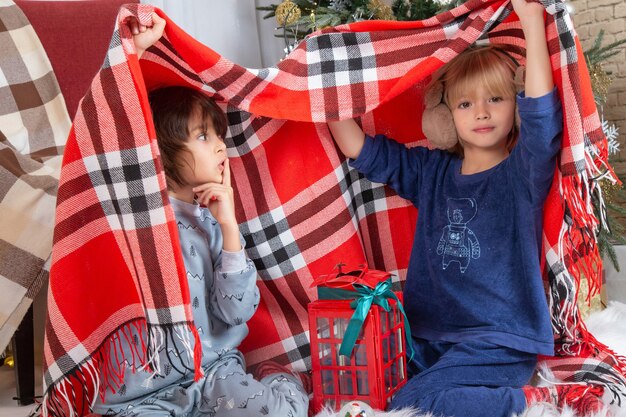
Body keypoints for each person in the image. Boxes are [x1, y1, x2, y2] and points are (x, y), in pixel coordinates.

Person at [327, 0, 605, 416]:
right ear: (444, 117)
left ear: (515, 104)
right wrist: (322, 95)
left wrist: (531, 19)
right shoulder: (431, 173)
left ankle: (533, 402)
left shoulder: (522, 173)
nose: (481, 113)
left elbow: (543, 119)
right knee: (373, 384)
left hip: (500, 340)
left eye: (495, 98)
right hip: (429, 337)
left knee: (416, 402)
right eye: (464, 104)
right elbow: (363, 151)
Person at [93, 14, 310, 417]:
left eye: (218, 137)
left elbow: (235, 311)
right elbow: (112, 124)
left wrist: (228, 227)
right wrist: (133, 53)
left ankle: (282, 379)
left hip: (212, 372)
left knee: (278, 412)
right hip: (147, 388)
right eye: (203, 136)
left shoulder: (211, 223)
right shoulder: (136, 212)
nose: (219, 148)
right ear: (162, 148)